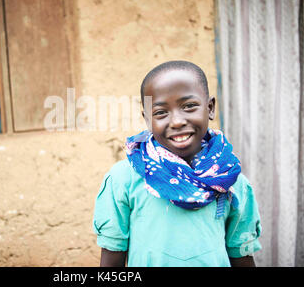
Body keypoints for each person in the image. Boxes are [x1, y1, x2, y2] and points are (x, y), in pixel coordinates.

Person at [93, 61, 262, 267]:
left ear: (210, 108)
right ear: (147, 119)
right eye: (161, 112)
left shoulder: (232, 182)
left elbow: (241, 257)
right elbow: (111, 261)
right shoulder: (125, 179)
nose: (177, 121)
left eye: (189, 106)